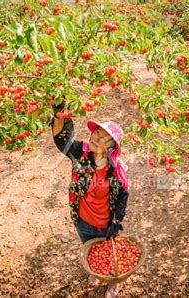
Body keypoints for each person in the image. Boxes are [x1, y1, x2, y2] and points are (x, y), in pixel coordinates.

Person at [50, 100, 129, 297]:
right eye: (96, 133)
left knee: (109, 254)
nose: (96, 138)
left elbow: (122, 196)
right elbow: (62, 140)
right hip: (83, 221)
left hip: (105, 224)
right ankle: (96, 271)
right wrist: (59, 112)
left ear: (112, 147)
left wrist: (117, 222)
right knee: (90, 249)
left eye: (104, 138)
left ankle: (112, 281)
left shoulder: (115, 170)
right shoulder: (81, 154)